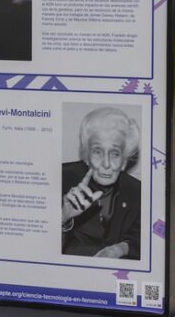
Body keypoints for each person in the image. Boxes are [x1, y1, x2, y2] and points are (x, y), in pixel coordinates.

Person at [62, 107, 141, 259]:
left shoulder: (138, 191)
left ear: (124, 162)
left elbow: (143, 238)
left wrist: (121, 249)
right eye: (98, 152)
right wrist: (63, 217)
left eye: (115, 154)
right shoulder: (60, 179)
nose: (106, 164)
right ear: (86, 156)